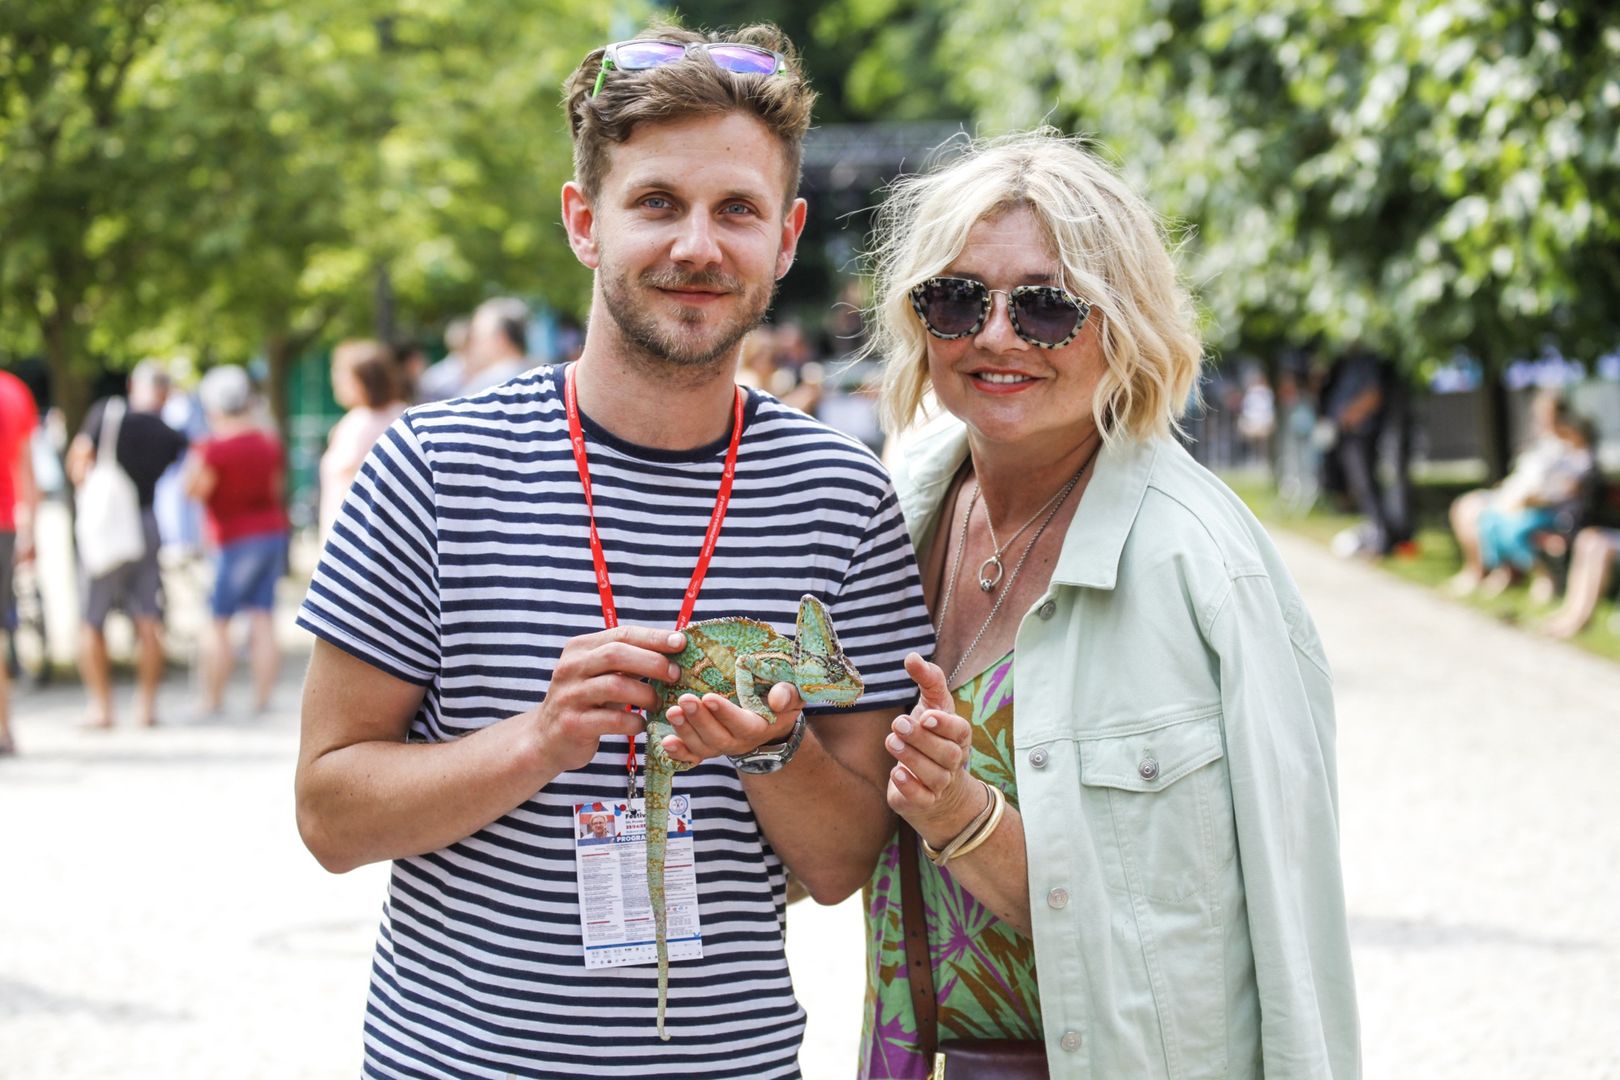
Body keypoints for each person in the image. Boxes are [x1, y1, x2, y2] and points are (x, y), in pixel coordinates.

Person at [292, 24, 934, 1077]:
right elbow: (328, 816)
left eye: (736, 209)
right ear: (584, 221)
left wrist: (767, 749)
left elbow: (841, 864)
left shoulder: (842, 497)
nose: (697, 246)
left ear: (787, 236)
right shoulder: (432, 467)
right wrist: (539, 740)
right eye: (656, 203)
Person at [859, 131, 1359, 1078]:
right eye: (958, 299)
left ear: (1122, 324)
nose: (998, 336)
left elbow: (1286, 933)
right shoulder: (897, 512)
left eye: (1048, 308)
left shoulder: (1203, 567)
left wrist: (963, 814)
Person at [68, 362, 190, 729]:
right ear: (165, 392)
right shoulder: (170, 433)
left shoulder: (107, 413)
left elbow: (78, 461)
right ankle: (146, 708)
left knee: (91, 619)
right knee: (148, 618)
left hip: (108, 525)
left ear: (133, 384)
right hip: (147, 523)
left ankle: (101, 707)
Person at [184, 366, 290, 715]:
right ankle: (263, 698)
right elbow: (276, 489)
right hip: (271, 532)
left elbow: (195, 490)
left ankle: (212, 698)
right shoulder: (268, 441)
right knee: (263, 617)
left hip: (233, 539)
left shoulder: (213, 448)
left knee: (219, 620)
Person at [1448, 389, 1594, 597]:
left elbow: (1565, 489)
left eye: (1547, 414)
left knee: (1510, 526)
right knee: (1487, 517)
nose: (1542, 420)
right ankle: (1493, 571)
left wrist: (1529, 500)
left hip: (1552, 511)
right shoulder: (1542, 444)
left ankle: (1539, 576)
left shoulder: (1572, 448)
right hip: (1527, 502)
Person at [317, 339, 408, 544]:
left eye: (341, 375)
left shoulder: (358, 424)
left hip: (353, 540)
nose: (335, 381)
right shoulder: (404, 414)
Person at [0, 368, 40, 754]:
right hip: (4, 523)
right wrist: (32, 528)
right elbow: (26, 465)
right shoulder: (12, 390)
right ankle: (4, 728)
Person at [457, 296, 534, 397]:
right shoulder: (540, 377)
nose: (473, 345)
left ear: (501, 339)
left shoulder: (486, 387)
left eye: (478, 337)